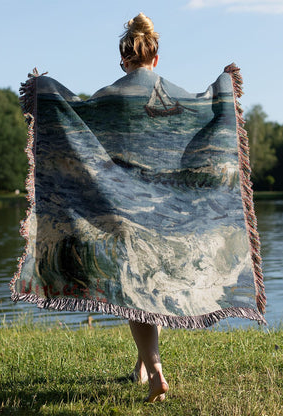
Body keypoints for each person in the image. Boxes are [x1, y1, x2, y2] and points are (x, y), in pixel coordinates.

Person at [118, 13, 169, 403]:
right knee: (151, 289)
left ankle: (155, 372)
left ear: (125, 60)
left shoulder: (110, 95)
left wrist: (43, 92)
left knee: (135, 295)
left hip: (124, 209)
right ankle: (140, 366)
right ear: (154, 58)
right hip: (167, 211)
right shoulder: (171, 94)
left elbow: (75, 128)